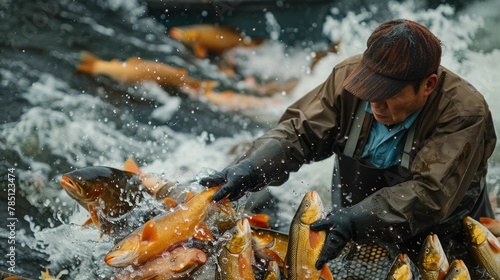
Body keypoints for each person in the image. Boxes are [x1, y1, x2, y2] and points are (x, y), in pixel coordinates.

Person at [200, 19, 497, 270]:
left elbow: (430, 195)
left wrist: (355, 220)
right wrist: (251, 167)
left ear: (428, 85)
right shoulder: (346, 77)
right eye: (369, 89)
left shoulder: (464, 113)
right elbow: (298, 133)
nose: (374, 103)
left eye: (388, 93)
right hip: (351, 225)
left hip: (442, 238)